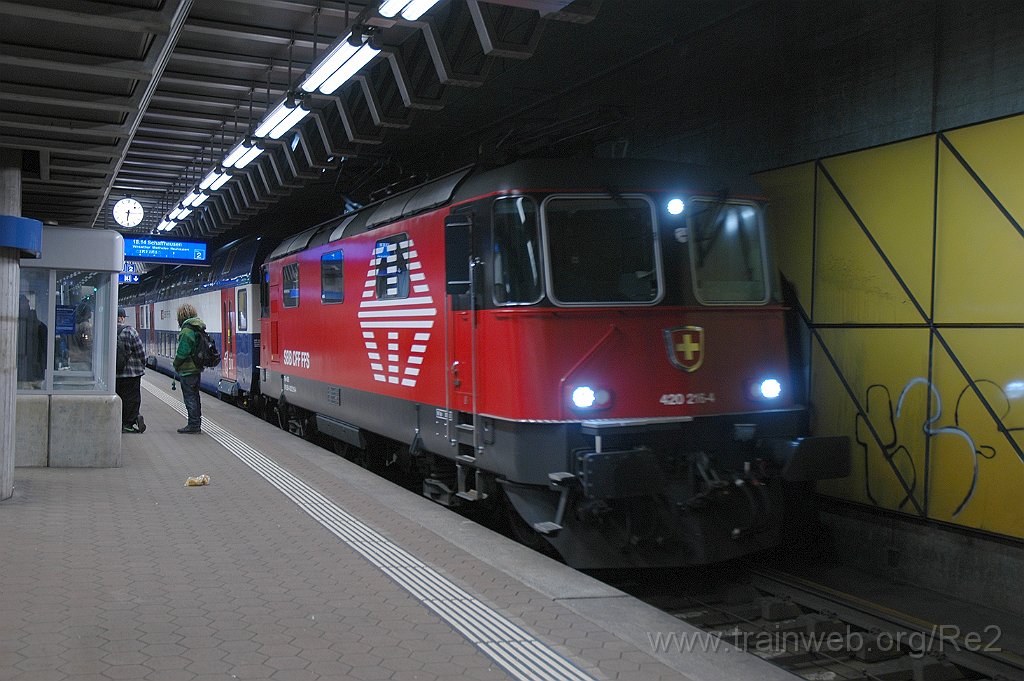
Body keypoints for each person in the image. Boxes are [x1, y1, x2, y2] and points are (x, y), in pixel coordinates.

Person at [172, 303, 204, 434]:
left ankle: (193, 425)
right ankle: (196, 422)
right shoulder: (197, 328)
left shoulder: (186, 331)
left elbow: (183, 351)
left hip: (187, 370)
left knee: (190, 398)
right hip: (196, 368)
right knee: (195, 397)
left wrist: (176, 363)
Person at [115, 307, 147, 433]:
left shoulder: (106, 330)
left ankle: (117, 422)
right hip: (132, 374)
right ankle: (127, 425)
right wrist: (143, 364)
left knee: (118, 397)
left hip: (114, 374)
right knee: (132, 400)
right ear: (122, 317)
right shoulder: (130, 331)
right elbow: (140, 351)